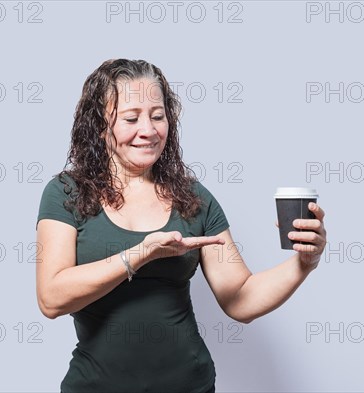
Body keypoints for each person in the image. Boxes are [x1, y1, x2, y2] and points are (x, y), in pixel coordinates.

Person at [35, 58, 327, 393]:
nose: (149, 130)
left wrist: (304, 263)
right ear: (101, 126)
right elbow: (52, 298)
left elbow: (241, 300)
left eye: (158, 116)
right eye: (131, 118)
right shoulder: (66, 193)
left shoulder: (193, 198)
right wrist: (141, 254)